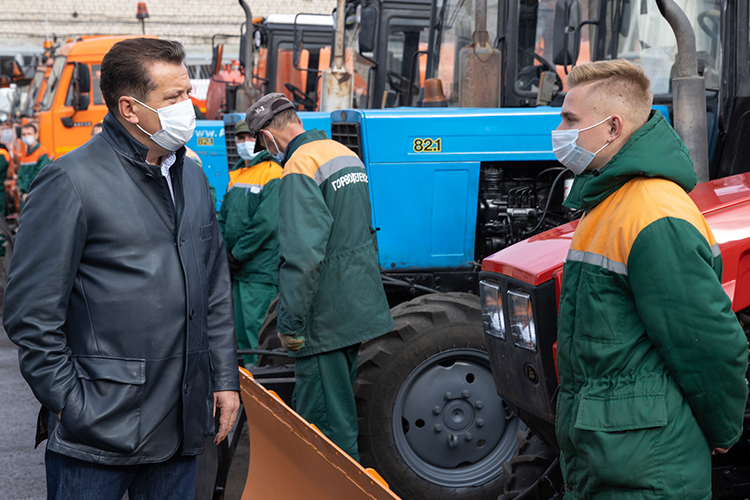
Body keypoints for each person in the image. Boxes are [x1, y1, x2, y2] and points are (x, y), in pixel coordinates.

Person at [4, 38, 240, 500]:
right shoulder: (72, 180)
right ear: (130, 109)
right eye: (173, 98)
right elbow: (31, 316)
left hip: (180, 431)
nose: (188, 107)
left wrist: (224, 381)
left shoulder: (190, 177)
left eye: (187, 93)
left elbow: (212, 287)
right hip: (97, 443)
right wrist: (75, 406)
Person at [553, 59, 748, 498]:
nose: (559, 130)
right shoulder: (610, 202)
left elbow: (709, 343)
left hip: (647, 467)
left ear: (612, 128)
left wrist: (722, 430)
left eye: (570, 120)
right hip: (615, 455)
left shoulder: (652, 213)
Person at [245, 93, 393, 461]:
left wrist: (290, 325)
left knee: (324, 430)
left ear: (266, 137)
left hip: (324, 318)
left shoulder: (299, 165)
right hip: (357, 304)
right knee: (341, 409)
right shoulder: (342, 153)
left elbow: (302, 255)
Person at [218, 119, 282, 366]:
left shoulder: (272, 172)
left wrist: (237, 254)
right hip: (238, 271)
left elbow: (266, 223)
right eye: (240, 138)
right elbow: (224, 218)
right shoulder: (237, 175)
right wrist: (223, 252)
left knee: (258, 335)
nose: (244, 143)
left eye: (249, 138)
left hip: (258, 272)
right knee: (241, 335)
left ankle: (263, 388)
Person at [16, 123, 51, 204]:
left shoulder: (43, 153)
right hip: (25, 197)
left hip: (36, 197)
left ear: (36, 135)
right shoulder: (24, 154)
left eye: (29, 134)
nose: (26, 136)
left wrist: (28, 194)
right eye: (24, 134)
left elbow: (40, 177)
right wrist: (22, 193)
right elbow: (20, 175)